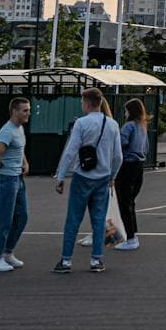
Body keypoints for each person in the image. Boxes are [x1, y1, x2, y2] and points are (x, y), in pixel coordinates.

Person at [54, 87, 122, 274]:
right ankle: (96, 259)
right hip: (103, 177)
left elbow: (70, 151)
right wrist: (112, 176)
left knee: (73, 218)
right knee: (99, 220)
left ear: (87, 103)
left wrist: (61, 176)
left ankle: (66, 260)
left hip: (82, 176)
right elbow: (118, 156)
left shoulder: (81, 124)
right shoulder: (112, 125)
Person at [0, 97, 30, 272]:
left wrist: (24, 163)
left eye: (28, 110)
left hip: (17, 180)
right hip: (6, 181)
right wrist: (1, 167)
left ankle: (7, 253)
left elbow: (19, 149)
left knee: (22, 216)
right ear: (14, 112)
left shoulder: (19, 129)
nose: (28, 113)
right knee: (4, 220)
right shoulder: (7, 131)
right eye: (24, 110)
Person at [117, 98, 148, 251]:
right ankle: (132, 234)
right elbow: (146, 147)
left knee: (124, 202)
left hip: (127, 165)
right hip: (139, 165)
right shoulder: (142, 126)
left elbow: (120, 144)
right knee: (130, 202)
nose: (125, 113)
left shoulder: (128, 126)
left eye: (126, 110)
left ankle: (130, 237)